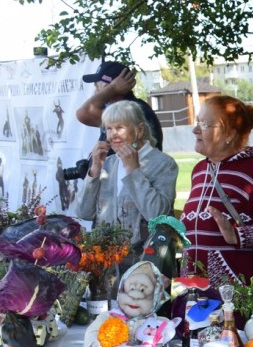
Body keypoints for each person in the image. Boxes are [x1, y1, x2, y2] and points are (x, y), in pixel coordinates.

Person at [181, 95, 253, 286]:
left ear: (230, 134)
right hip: (194, 288)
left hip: (237, 293)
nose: (195, 130)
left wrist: (238, 235)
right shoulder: (199, 171)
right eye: (197, 122)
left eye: (205, 124)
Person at [75, 100, 178, 266]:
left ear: (139, 130)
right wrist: (94, 170)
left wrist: (133, 170)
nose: (113, 135)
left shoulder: (163, 164)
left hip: (146, 264)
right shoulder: (108, 164)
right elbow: (84, 212)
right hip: (106, 264)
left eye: (120, 127)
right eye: (109, 128)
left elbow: (157, 216)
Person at [78, 61, 164, 151]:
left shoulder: (131, 110)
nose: (96, 92)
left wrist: (113, 88)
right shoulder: (118, 108)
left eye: (98, 87)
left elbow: (84, 113)